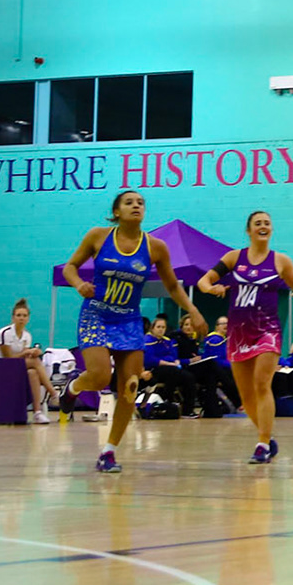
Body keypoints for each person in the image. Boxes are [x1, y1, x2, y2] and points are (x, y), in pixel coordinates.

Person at [61, 189, 207, 474]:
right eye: (129, 202)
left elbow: (173, 286)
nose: (136, 205)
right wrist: (79, 284)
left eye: (140, 202)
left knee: (130, 385)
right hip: (96, 314)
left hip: (128, 320)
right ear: (117, 212)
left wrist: (193, 309)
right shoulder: (98, 236)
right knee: (100, 376)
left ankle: (109, 451)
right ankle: (73, 388)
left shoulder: (155, 247)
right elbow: (70, 267)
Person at [198, 210, 293, 464]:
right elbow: (205, 280)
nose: (263, 226)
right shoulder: (233, 257)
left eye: (267, 223)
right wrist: (211, 288)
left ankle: (261, 444)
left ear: (271, 229)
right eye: (258, 223)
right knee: (246, 396)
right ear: (249, 230)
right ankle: (267, 438)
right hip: (238, 333)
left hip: (267, 330)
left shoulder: (281, 261)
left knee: (261, 383)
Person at [0, 299, 56, 423]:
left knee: (33, 373)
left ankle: (37, 412)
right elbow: (8, 359)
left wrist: (34, 352)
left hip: (15, 367)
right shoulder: (5, 333)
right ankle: (53, 393)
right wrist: (26, 353)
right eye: (18, 315)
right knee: (35, 362)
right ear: (13, 318)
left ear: (28, 318)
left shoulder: (27, 335)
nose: (21, 318)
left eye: (24, 316)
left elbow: (24, 358)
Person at [182, 313, 239, 416]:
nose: (226, 326)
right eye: (223, 323)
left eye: (227, 323)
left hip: (204, 368)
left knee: (211, 376)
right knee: (219, 369)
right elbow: (216, 359)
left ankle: (212, 410)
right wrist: (189, 360)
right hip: (187, 368)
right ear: (217, 326)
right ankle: (237, 400)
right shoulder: (215, 339)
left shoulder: (194, 341)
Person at [141, 314, 199, 413]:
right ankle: (167, 401)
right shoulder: (147, 340)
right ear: (152, 328)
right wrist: (168, 362)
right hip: (154, 370)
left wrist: (173, 361)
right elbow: (150, 360)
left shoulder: (166, 341)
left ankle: (188, 410)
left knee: (189, 377)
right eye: (158, 327)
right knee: (172, 371)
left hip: (171, 368)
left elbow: (173, 356)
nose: (161, 329)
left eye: (163, 327)